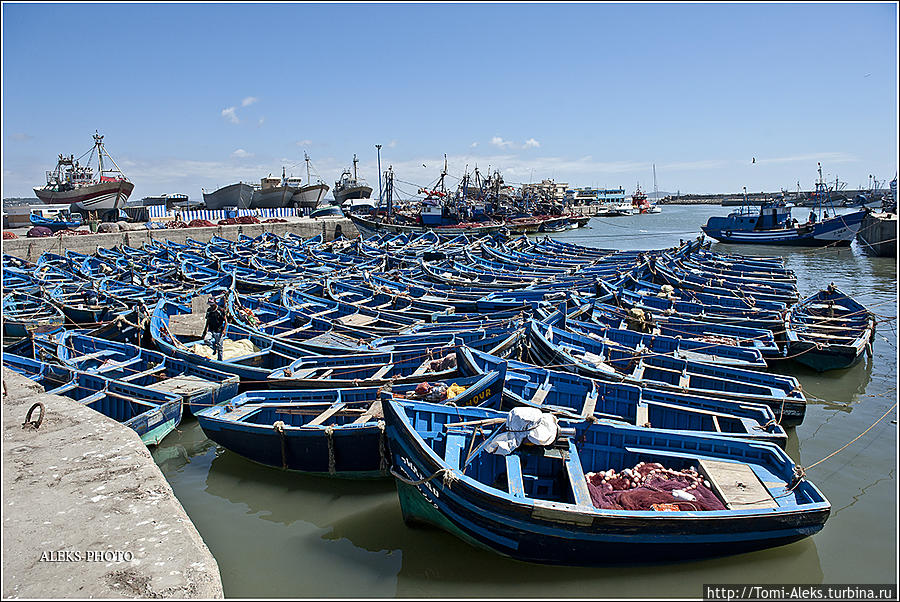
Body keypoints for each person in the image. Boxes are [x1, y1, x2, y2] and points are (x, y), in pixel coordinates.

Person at [201, 296, 227, 361]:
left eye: (212, 305)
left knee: (220, 347)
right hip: (211, 330)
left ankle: (220, 360)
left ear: (215, 303)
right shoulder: (209, 310)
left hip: (219, 331)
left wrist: (224, 330)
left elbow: (226, 321)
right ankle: (214, 347)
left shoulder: (220, 310)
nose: (211, 306)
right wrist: (204, 331)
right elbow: (207, 321)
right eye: (210, 305)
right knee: (206, 340)